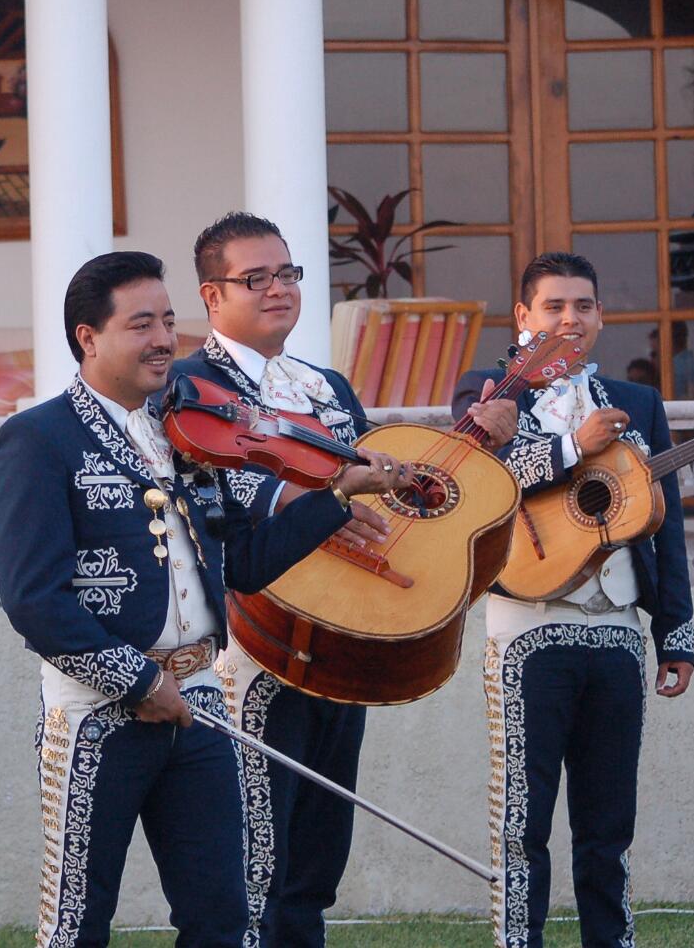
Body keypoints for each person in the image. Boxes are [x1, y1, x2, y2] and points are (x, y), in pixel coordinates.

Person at [0, 251, 406, 948]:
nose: (163, 340)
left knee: (221, 918)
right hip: (94, 712)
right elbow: (34, 600)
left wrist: (334, 498)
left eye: (167, 321)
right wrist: (138, 681)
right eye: (141, 324)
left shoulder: (188, 436)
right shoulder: (38, 437)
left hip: (201, 702)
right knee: (76, 923)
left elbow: (245, 564)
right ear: (88, 337)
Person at [172, 213, 517, 948]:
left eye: (287, 274)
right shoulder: (188, 387)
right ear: (212, 295)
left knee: (317, 858)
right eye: (255, 278)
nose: (278, 289)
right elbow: (206, 500)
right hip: (256, 637)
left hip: (345, 622)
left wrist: (458, 455)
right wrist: (308, 502)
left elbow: (375, 492)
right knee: (255, 857)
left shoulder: (326, 387)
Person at [454, 251, 694, 948]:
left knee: (609, 825)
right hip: (527, 630)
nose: (570, 319)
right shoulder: (488, 390)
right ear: (523, 317)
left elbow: (666, 522)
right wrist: (570, 446)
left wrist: (675, 632)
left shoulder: (637, 402)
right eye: (554, 306)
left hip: (618, 629)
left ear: (600, 317)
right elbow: (477, 481)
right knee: (521, 823)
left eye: (583, 306)